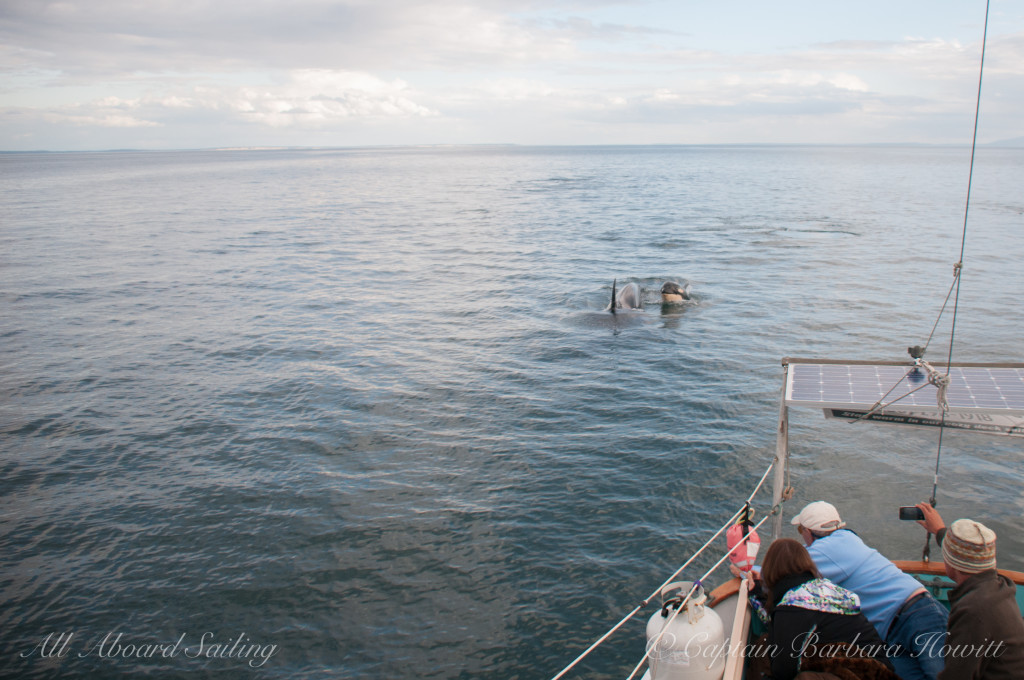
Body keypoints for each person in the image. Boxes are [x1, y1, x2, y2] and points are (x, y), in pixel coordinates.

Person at [790, 501, 948, 680]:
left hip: (916, 615)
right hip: (896, 628)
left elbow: (783, 569)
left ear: (808, 533)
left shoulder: (827, 550)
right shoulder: (847, 539)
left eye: (800, 531)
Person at [743, 538, 896, 680]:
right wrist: (757, 594)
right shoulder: (821, 591)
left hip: (865, 672)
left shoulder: (794, 607)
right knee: (766, 644)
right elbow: (781, 623)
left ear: (771, 571)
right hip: (881, 672)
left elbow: (784, 669)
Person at [916, 503, 1024, 679]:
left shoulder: (974, 611)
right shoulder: (1000, 587)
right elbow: (965, 555)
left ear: (952, 563)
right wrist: (939, 530)